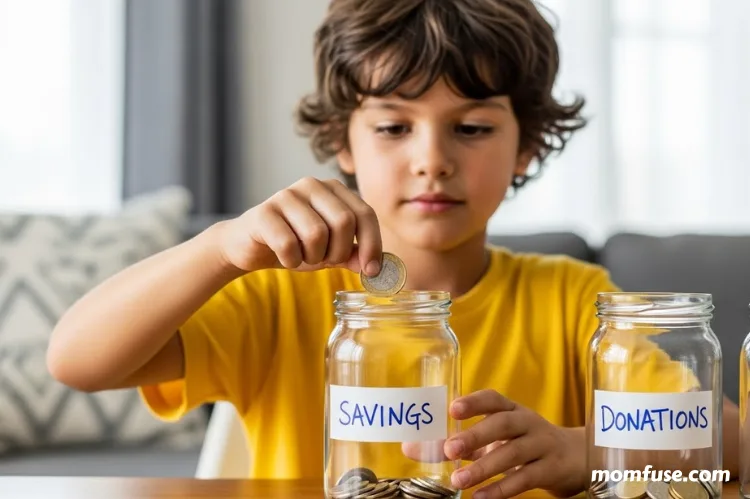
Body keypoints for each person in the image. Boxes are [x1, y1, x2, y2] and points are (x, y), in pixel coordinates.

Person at [46, 0, 739, 497]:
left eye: (470, 128)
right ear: (343, 142)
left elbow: (732, 442)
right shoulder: (277, 293)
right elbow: (76, 358)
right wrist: (221, 246)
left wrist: (589, 450)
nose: (431, 160)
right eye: (392, 127)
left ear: (525, 145)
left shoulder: (574, 300)